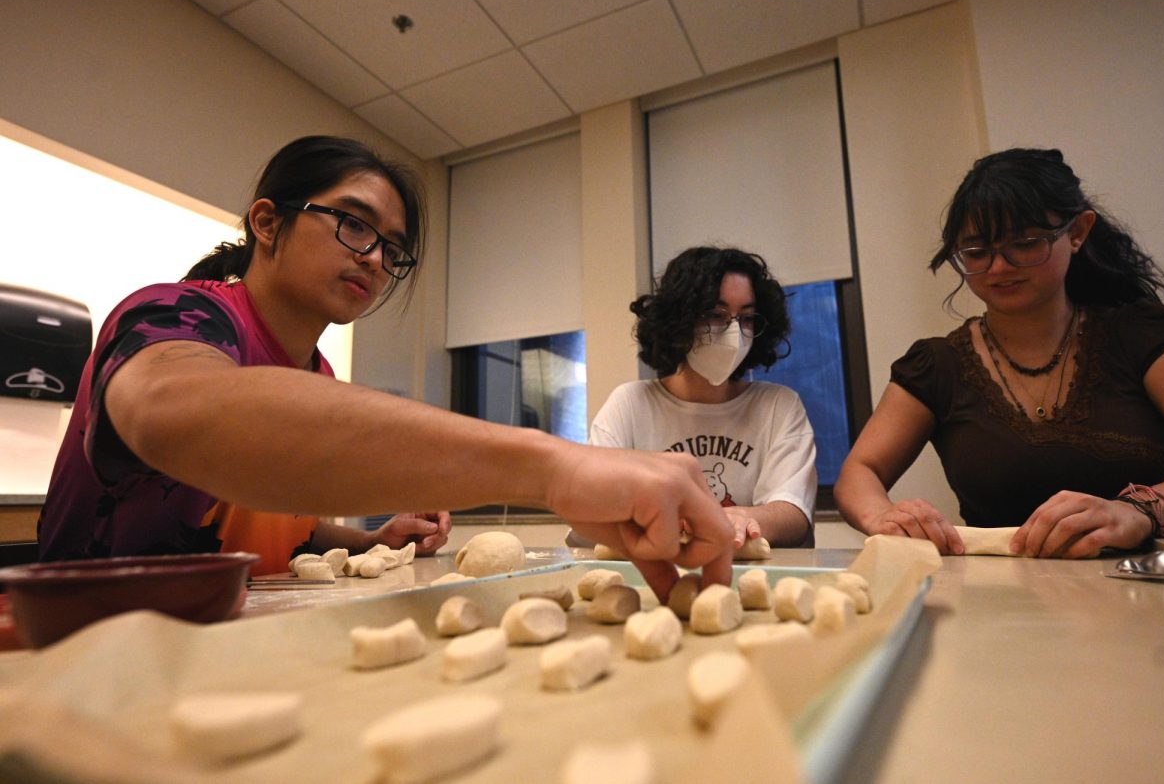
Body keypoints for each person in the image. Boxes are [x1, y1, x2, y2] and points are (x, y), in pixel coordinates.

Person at [37, 136, 732, 597]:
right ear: (267, 222)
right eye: (354, 224)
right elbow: (173, 415)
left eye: (390, 248)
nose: (374, 257)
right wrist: (556, 469)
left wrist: (373, 538)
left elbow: (280, 526)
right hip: (86, 655)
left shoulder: (315, 378)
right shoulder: (171, 314)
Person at [834, 148, 1164, 557]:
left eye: (1025, 244)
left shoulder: (1145, 335)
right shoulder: (938, 365)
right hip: (1002, 604)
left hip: (1148, 592)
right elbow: (858, 472)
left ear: (1078, 232)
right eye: (976, 253)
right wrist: (883, 517)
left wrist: (1142, 511)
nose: (998, 268)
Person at [587, 246, 817, 549]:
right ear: (678, 321)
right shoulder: (630, 403)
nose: (734, 332)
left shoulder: (778, 405)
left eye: (746, 318)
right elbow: (594, 507)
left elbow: (793, 512)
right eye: (715, 315)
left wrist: (744, 519)